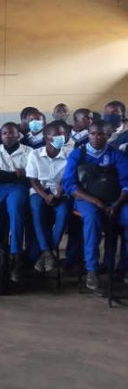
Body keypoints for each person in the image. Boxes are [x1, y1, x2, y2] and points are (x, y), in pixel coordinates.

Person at [63, 119, 128, 290]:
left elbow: (126, 184)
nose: (96, 137)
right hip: (86, 200)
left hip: (115, 200)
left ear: (108, 135)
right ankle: (91, 270)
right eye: (92, 133)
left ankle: (123, 268)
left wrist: (117, 205)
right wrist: (97, 202)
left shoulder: (117, 155)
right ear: (88, 134)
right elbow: (69, 185)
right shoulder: (78, 154)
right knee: (92, 219)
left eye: (101, 134)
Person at [0, 122, 32, 282]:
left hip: (19, 188)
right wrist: (14, 174)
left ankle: (16, 256)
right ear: (1, 135)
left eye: (12, 133)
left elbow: (29, 177)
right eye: (5, 133)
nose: (8, 136)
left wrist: (7, 174)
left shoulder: (29, 152)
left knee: (15, 212)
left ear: (18, 134)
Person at [26, 121, 71, 273]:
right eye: (57, 135)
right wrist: (46, 196)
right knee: (37, 208)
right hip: (40, 191)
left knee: (63, 213)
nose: (61, 137)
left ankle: (47, 253)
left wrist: (59, 193)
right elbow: (33, 180)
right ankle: (47, 251)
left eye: (63, 134)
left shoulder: (69, 154)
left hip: (61, 192)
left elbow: (69, 179)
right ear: (46, 137)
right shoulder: (35, 154)